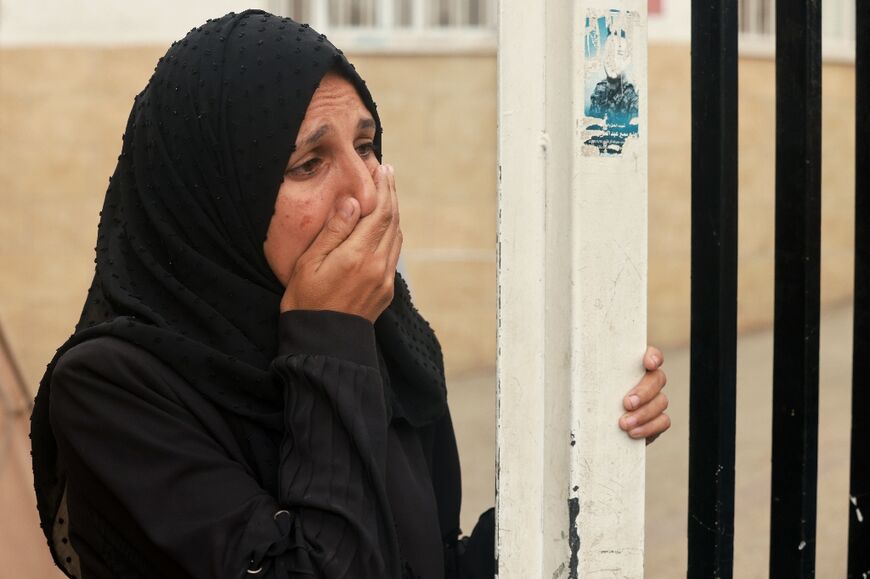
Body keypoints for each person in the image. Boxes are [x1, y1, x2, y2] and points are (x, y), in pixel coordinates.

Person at [29, 10, 670, 579]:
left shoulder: (380, 334)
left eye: (365, 146)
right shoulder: (111, 391)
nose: (364, 193)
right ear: (214, 203)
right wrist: (328, 339)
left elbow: (427, 561)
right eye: (308, 165)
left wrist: (590, 439)